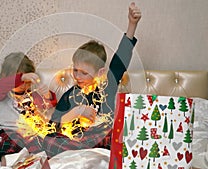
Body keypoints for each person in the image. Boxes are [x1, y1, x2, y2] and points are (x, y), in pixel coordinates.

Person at [43, 2, 142, 157]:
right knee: (48, 140)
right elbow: (54, 124)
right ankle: (84, 153)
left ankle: (96, 152)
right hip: (77, 141)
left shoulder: (107, 86)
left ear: (100, 72)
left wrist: (132, 25)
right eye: (75, 70)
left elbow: (120, 60)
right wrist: (76, 112)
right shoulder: (71, 94)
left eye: (84, 73)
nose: (77, 76)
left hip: (102, 137)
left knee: (123, 135)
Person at [0, 52, 57, 165]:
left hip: (31, 133)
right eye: (20, 81)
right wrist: (21, 77)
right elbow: (1, 86)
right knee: (11, 145)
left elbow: (49, 105)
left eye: (27, 82)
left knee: (46, 144)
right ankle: (5, 166)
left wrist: (48, 96)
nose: (23, 85)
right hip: (10, 131)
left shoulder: (32, 94)